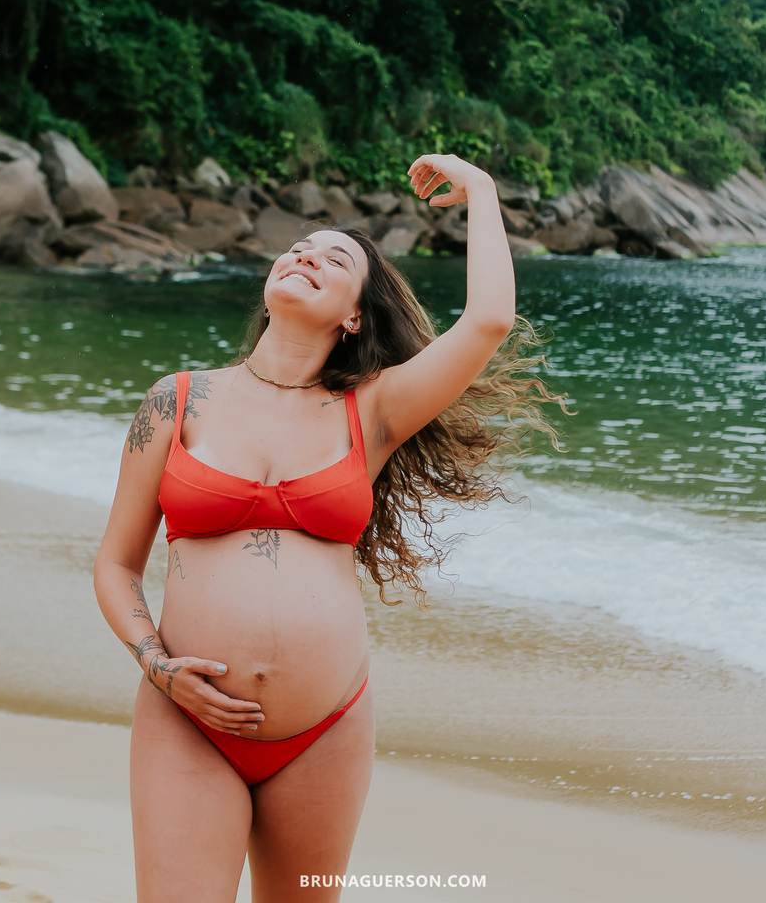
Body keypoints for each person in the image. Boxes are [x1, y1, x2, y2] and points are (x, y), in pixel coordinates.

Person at [94, 151, 552, 903]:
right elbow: (115, 565)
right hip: (188, 720)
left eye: (333, 258)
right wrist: (158, 665)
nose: (304, 253)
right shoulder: (176, 402)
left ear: (354, 316)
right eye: (297, 247)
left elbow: (490, 320)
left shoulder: (372, 412)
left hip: (326, 731)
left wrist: (483, 191)